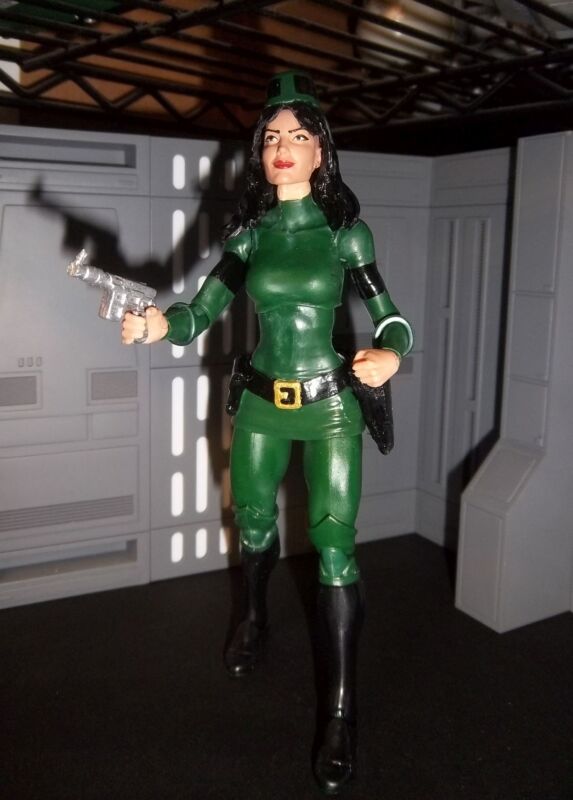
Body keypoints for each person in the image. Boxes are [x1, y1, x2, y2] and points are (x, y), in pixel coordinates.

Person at [122, 70, 413, 795]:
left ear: (321, 151)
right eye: (272, 137)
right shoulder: (249, 237)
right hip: (258, 402)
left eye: (298, 135)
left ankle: (339, 713)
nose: (283, 146)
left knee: (334, 548)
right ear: (259, 153)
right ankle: (252, 616)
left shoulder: (345, 234)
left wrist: (390, 354)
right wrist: (159, 325)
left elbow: (391, 317)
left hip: (330, 407)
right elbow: (199, 311)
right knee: (252, 521)